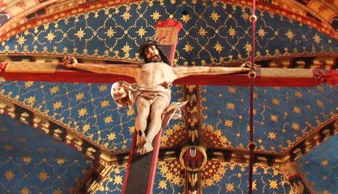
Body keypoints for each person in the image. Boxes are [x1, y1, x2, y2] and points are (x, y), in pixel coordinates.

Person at [62, 40, 250, 155]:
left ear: (159, 52)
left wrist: (238, 69)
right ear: (145, 56)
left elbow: (208, 70)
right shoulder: (139, 69)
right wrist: (77, 65)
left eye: (153, 49)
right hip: (142, 91)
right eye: (147, 51)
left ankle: (148, 141)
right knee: (143, 112)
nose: (151, 52)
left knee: (157, 112)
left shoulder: (173, 70)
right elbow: (105, 68)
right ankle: (141, 136)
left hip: (161, 92)